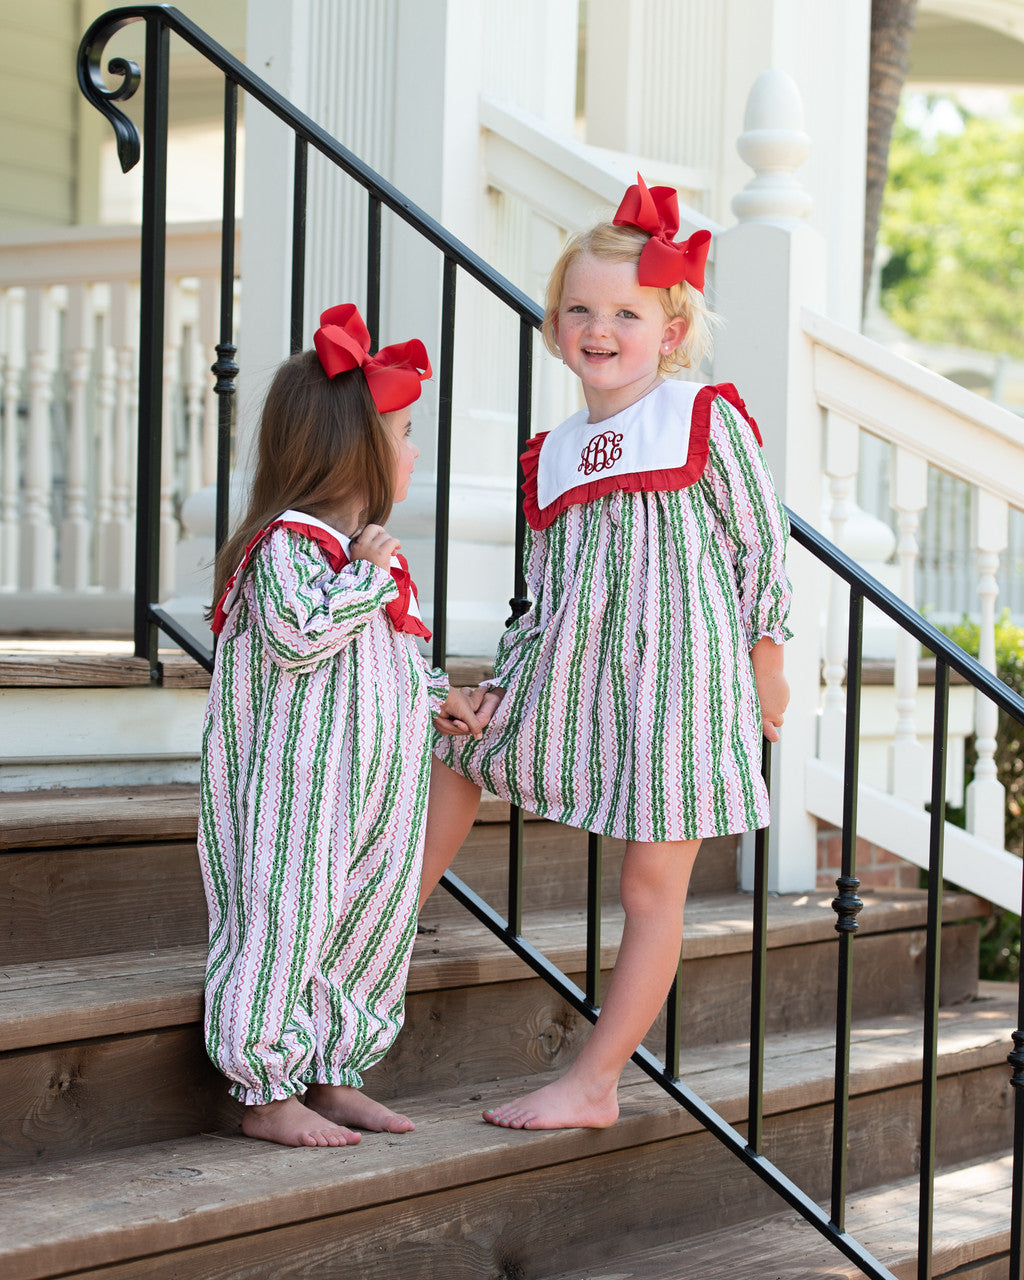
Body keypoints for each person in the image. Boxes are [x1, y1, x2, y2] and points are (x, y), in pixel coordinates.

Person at [420, 175, 792, 1131]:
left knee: (646, 883)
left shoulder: (701, 418)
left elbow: (759, 550)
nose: (599, 327)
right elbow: (541, 591)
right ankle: (377, 925)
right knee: (458, 749)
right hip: (576, 672)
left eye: (626, 312)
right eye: (579, 309)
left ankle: (596, 1079)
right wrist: (505, 681)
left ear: (669, 332)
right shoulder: (550, 452)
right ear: (553, 327)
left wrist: (768, 659)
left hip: (679, 685)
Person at [198, 303, 482, 1148]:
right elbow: (298, 635)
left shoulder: (365, 553)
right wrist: (365, 575)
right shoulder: (287, 544)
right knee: (286, 920)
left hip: (376, 787)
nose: (414, 449)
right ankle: (263, 1083)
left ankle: (334, 1068)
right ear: (352, 450)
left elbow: (387, 655)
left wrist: (439, 697)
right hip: (299, 792)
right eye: (401, 432)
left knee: (371, 924)